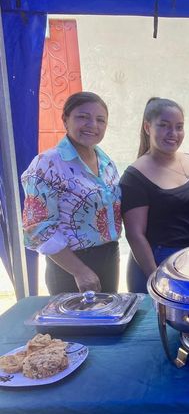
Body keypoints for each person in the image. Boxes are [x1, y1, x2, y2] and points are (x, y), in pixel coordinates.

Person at [21, 91, 121, 294]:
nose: (93, 125)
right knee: (74, 316)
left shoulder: (106, 163)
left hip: (109, 258)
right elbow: (37, 228)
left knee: (110, 314)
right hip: (69, 267)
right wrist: (79, 271)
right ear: (65, 120)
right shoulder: (47, 164)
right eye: (83, 117)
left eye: (100, 120)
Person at [120, 98, 189, 293]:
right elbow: (135, 235)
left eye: (179, 127)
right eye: (164, 125)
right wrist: (156, 280)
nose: (173, 133)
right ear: (147, 127)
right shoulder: (134, 176)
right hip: (158, 264)